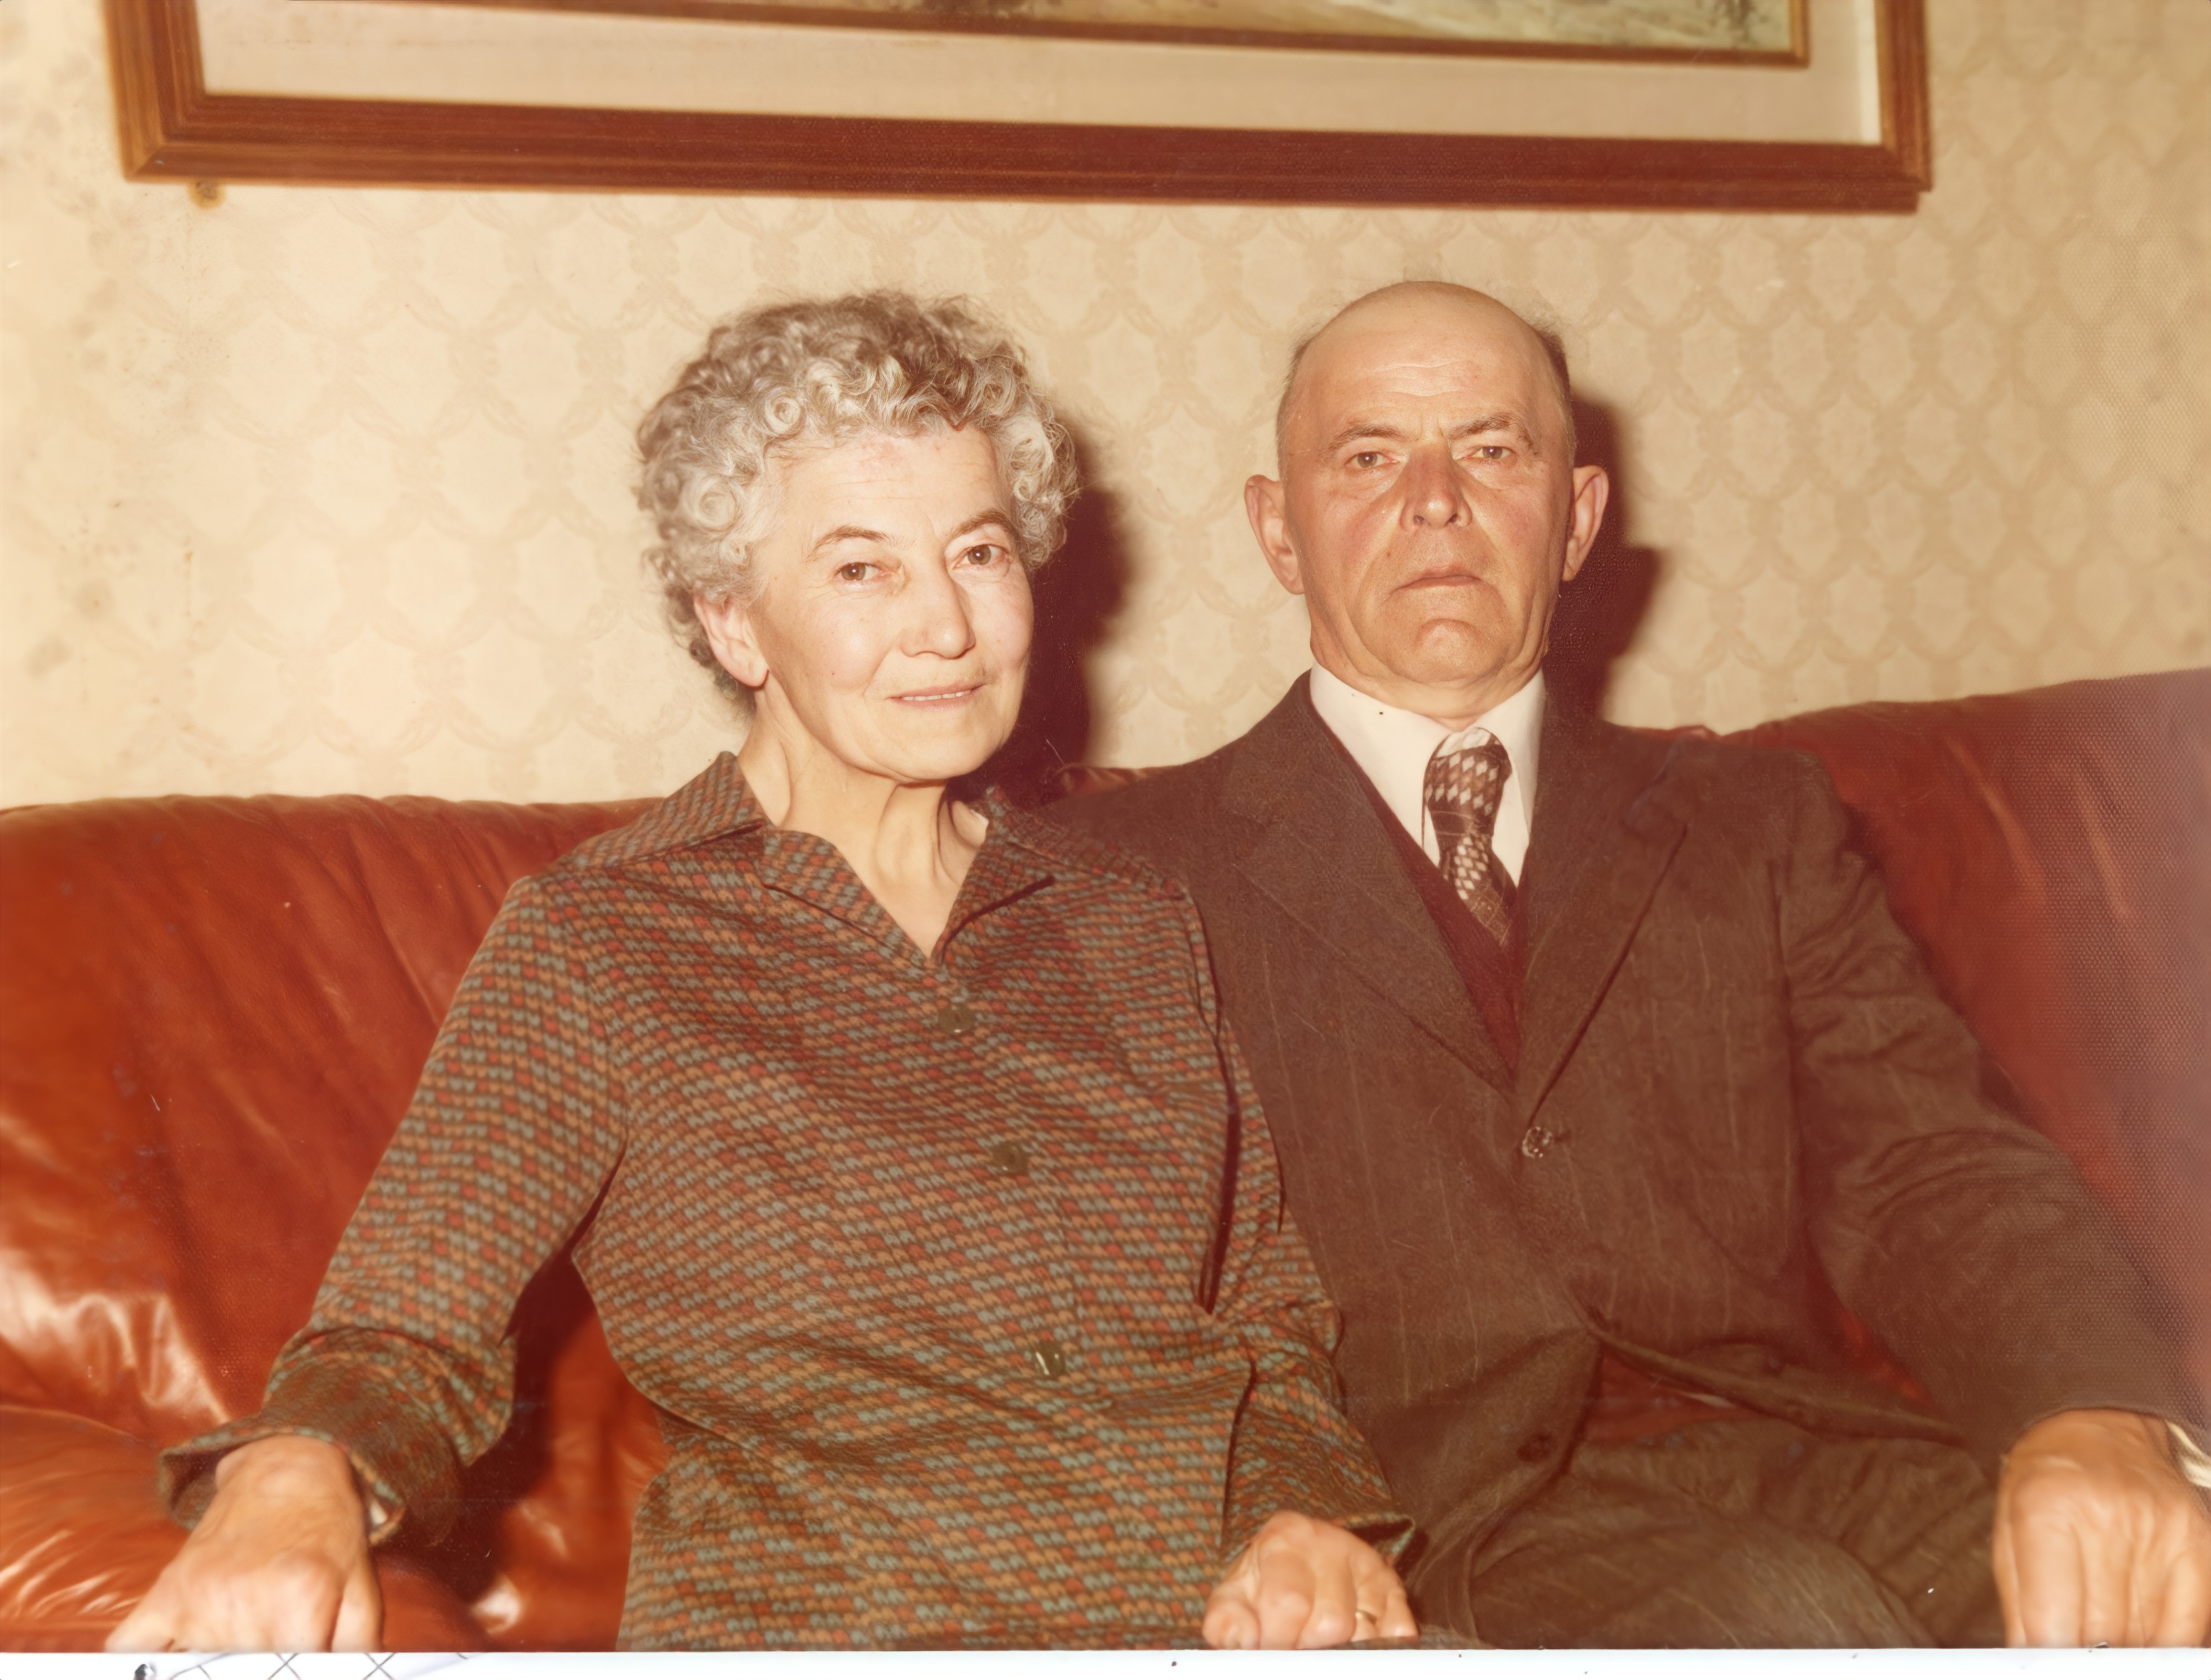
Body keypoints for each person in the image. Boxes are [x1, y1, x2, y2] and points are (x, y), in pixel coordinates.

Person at [109, 294, 1420, 1653]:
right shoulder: (602, 938)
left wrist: (1305, 1516)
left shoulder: (1129, 917)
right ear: (734, 623)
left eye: (978, 552)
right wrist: (289, 1479)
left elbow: (1263, 1309)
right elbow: (402, 1330)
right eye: (861, 570)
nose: (948, 627)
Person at [1055, 280, 2211, 1648]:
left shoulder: (1750, 821)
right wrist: (1266, 1512)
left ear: (1576, 519)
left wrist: (2091, 1408)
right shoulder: (1123, 872)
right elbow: (1109, 1295)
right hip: (1431, 1525)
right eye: (1367, 457)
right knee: (1787, 1623)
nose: (1436, 502)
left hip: (1804, 1461)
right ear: (1277, 530)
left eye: (1492, 449)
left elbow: (1926, 1163)